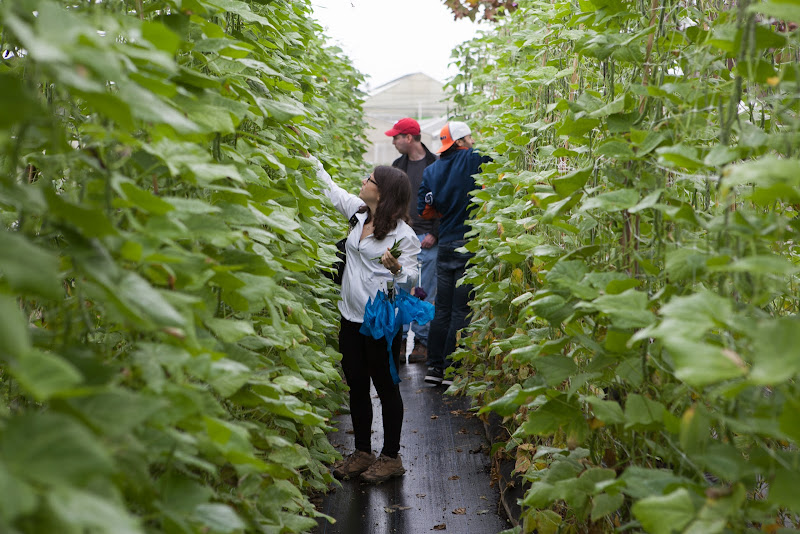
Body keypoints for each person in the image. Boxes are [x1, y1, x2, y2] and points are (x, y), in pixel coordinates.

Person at [312, 156, 421, 483]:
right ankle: (362, 452)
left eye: (370, 180)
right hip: (351, 318)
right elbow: (332, 191)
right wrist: (312, 162)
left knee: (386, 387)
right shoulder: (360, 214)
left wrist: (397, 269)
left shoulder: (403, 236)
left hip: (381, 322)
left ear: (384, 192)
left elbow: (412, 281)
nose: (364, 181)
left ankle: (390, 457)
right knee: (357, 384)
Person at [417, 121, 491, 386]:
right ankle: (452, 369)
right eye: (470, 137)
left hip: (446, 244)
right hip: (468, 245)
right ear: (460, 141)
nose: (473, 141)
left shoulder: (432, 170)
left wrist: (445, 212)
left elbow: (425, 210)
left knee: (442, 309)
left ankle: (434, 368)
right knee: (461, 310)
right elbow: (499, 167)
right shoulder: (472, 158)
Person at [385, 117, 439, 364]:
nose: (394, 141)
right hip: (403, 238)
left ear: (409, 138)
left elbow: (445, 202)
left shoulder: (435, 165)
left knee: (425, 291)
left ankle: (422, 343)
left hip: (428, 238)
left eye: (396, 137)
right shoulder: (398, 166)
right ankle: (400, 341)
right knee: (401, 290)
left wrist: (435, 233)